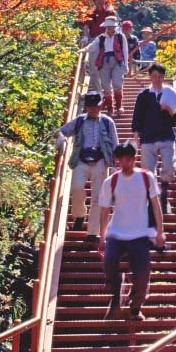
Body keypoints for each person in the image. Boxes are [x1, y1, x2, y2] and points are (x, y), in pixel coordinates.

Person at [97, 143, 165, 321]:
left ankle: (135, 307)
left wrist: (160, 232)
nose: (125, 163)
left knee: (142, 274)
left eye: (129, 159)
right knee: (109, 263)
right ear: (117, 161)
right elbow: (104, 211)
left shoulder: (146, 177)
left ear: (135, 158)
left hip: (140, 234)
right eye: (121, 160)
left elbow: (156, 205)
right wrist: (102, 236)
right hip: (116, 233)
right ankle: (115, 298)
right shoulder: (111, 181)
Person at [56, 92, 119, 241]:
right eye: (90, 107)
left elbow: (115, 143)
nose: (93, 110)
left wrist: (116, 162)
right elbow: (61, 131)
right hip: (81, 159)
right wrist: (60, 138)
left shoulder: (107, 122)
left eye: (95, 107)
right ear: (86, 107)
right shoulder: (79, 121)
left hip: (100, 160)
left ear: (100, 106)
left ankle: (92, 232)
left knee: (98, 197)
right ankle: (79, 214)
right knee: (77, 188)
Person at [131, 62, 176, 213]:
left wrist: (170, 110)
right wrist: (136, 135)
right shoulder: (144, 95)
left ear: (163, 77)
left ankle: (164, 193)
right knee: (148, 171)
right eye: (154, 76)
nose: (157, 79)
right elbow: (137, 116)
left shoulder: (170, 93)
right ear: (150, 77)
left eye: (160, 76)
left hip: (166, 136)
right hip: (148, 137)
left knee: (169, 168)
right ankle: (153, 201)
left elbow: (175, 120)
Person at [86, 15, 129, 115]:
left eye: (111, 27)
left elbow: (125, 51)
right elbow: (92, 46)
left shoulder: (120, 37)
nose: (109, 29)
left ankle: (119, 106)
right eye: (108, 27)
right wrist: (84, 50)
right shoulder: (101, 37)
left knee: (117, 83)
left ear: (114, 27)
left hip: (117, 61)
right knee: (105, 85)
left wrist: (125, 64)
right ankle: (110, 108)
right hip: (104, 61)